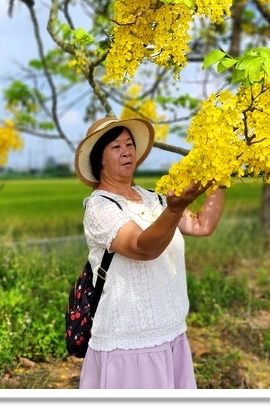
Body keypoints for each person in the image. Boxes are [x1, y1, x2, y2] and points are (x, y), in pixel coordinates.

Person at [73, 115, 227, 389]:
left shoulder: (153, 198)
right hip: (129, 343)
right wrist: (175, 208)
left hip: (171, 333)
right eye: (116, 147)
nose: (126, 151)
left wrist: (220, 175)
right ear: (100, 160)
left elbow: (203, 225)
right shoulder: (100, 207)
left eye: (129, 144)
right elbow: (143, 248)